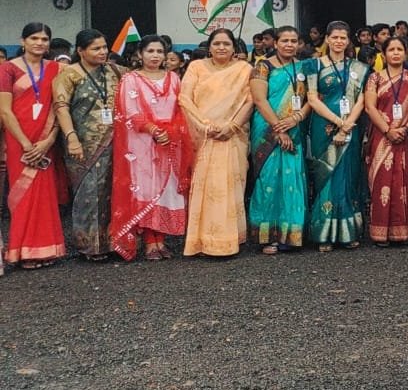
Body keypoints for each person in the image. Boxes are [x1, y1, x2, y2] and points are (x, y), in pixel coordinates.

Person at [109, 35, 192, 261]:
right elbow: (130, 110)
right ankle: (149, 242)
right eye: (150, 51)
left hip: (170, 141)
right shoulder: (130, 79)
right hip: (142, 143)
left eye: (159, 51)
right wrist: (154, 130)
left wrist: (171, 132)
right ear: (140, 54)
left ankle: (161, 241)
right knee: (146, 188)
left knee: (166, 189)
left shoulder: (174, 78)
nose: (155, 56)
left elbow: (180, 110)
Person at [179, 28, 252, 257]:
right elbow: (184, 98)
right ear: (209, 46)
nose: (222, 48)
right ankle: (202, 241)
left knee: (230, 186)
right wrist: (205, 126)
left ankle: (229, 240)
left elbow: (249, 101)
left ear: (234, 48)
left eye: (227, 44)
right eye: (217, 43)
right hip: (203, 136)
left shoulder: (244, 70)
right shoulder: (196, 67)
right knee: (205, 187)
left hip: (233, 135)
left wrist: (231, 127)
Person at [0, 22, 66, 268]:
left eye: (44, 39)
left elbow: (60, 108)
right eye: (34, 38)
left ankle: (44, 250)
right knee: (23, 196)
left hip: (46, 141)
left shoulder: (57, 69)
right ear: (23, 41)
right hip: (20, 142)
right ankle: (23, 252)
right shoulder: (8, 69)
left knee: (44, 195)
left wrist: (48, 140)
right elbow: (5, 112)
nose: (39, 43)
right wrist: (27, 145)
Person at [53, 29, 121, 261]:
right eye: (96, 48)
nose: (103, 52)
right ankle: (88, 245)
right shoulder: (69, 74)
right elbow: (61, 107)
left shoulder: (114, 70)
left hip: (114, 142)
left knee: (111, 192)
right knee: (88, 192)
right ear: (80, 51)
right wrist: (71, 137)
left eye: (104, 47)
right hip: (81, 143)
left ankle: (112, 242)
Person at [305, 21, 370, 251]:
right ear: (327, 39)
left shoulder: (358, 67)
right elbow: (312, 99)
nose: (339, 41)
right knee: (326, 177)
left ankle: (348, 232)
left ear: (348, 40)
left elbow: (362, 99)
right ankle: (324, 234)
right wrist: (338, 123)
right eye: (335, 37)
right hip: (324, 126)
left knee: (348, 175)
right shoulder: (314, 65)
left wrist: (348, 125)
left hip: (351, 126)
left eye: (343, 38)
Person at [247, 26, 311, 254]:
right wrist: (279, 129)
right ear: (275, 43)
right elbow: (259, 100)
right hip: (268, 131)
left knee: (292, 179)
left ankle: (291, 235)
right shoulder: (263, 66)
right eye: (285, 40)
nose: (290, 45)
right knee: (269, 180)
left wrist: (297, 117)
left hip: (294, 128)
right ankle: (268, 236)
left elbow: (312, 98)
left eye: (294, 41)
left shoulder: (303, 67)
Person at [364, 35, 408, 245]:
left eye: (400, 49)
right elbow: (370, 107)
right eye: (392, 50)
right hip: (382, 136)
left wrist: (406, 128)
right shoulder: (375, 78)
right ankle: (381, 232)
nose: (396, 53)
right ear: (384, 54)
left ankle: (403, 231)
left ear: (406, 53)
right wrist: (388, 129)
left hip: (404, 136)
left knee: (402, 181)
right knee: (382, 182)